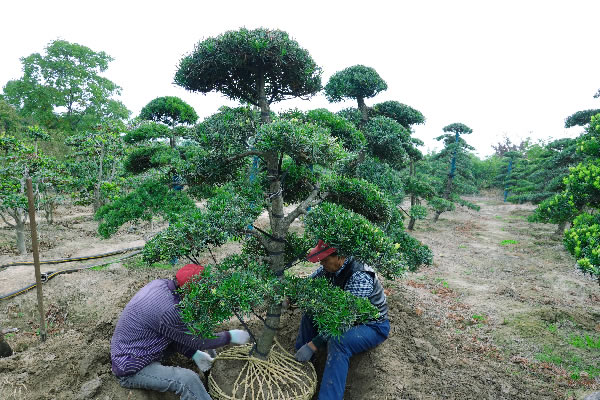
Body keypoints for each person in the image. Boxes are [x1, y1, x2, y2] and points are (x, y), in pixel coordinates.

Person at [110, 263, 251, 400]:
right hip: (131, 367)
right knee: (188, 380)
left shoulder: (161, 285)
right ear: (190, 292)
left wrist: (193, 353)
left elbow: (172, 333)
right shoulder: (171, 312)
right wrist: (230, 336)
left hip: (137, 347)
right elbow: (201, 341)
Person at [294, 240, 390, 400]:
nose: (321, 263)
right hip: (345, 317)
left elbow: (344, 320)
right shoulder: (330, 267)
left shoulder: (360, 277)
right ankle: (300, 365)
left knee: (339, 342)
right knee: (310, 312)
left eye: (325, 259)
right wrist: (289, 296)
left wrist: (313, 345)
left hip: (371, 326)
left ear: (341, 256)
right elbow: (308, 284)